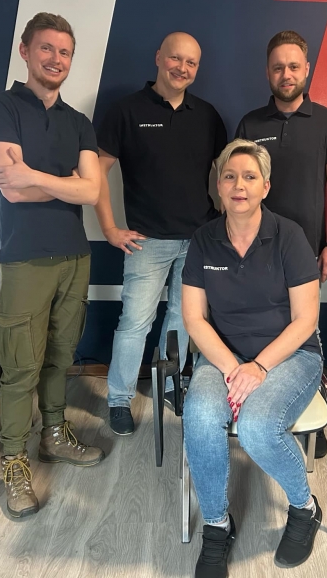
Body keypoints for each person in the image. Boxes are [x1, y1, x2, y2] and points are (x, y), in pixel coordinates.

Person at [0, 12, 106, 518]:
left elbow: (93, 191)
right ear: (26, 51)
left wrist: (36, 175)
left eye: (65, 52)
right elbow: (12, 188)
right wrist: (66, 183)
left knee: (60, 357)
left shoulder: (79, 122)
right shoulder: (1, 107)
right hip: (25, 259)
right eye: (47, 49)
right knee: (20, 369)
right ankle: (14, 461)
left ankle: (54, 434)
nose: (56, 59)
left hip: (75, 256)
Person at [182, 139, 323, 577]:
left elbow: (306, 320)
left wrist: (259, 367)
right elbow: (194, 319)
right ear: (218, 186)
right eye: (229, 176)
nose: (238, 185)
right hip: (224, 356)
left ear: (265, 186)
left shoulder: (289, 236)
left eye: (249, 177)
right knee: (200, 415)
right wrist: (234, 368)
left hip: (290, 355)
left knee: (259, 427)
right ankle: (216, 526)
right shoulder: (203, 240)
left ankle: (304, 508)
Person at [94, 32, 227, 435]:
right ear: (158, 58)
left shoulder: (207, 115)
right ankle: (119, 398)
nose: (182, 68)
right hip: (146, 241)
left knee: (184, 319)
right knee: (135, 321)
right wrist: (109, 228)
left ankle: (169, 385)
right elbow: (95, 173)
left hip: (198, 239)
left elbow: (224, 173)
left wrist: (223, 223)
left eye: (191, 63)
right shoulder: (126, 111)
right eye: (175, 58)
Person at [236, 30, 327, 459]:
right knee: (262, 330)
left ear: (307, 69)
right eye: (278, 67)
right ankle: (259, 408)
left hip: (306, 254)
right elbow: (237, 185)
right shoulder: (250, 124)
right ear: (268, 72)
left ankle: (310, 414)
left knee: (306, 335)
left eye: (294, 66)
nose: (287, 74)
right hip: (254, 252)